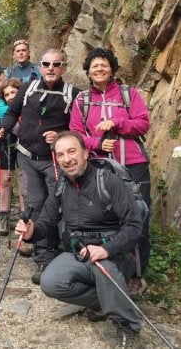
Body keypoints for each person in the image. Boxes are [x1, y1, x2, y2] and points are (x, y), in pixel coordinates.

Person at [15, 131, 142, 347]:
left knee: (103, 268)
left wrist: (106, 249)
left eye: (72, 151)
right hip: (78, 253)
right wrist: (31, 233)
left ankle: (127, 325)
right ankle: (107, 301)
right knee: (50, 283)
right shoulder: (60, 187)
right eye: (61, 154)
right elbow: (46, 223)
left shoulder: (109, 182)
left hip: (114, 254)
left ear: (85, 152)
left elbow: (134, 225)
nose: (67, 159)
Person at [69, 47, 150, 295]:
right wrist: (96, 143)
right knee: (106, 219)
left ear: (112, 68)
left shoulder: (128, 94)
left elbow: (143, 123)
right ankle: (106, 270)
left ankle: (136, 274)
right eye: (94, 65)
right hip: (99, 168)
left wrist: (117, 123)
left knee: (137, 216)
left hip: (133, 165)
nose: (99, 68)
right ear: (88, 71)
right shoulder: (81, 100)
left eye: (104, 64)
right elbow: (75, 134)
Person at [0, 49, 78, 284]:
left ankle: (65, 252)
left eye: (56, 64)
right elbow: (12, 112)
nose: (51, 68)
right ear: (39, 66)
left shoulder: (73, 94)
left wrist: (62, 135)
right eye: (46, 64)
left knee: (58, 205)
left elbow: (80, 130)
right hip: (27, 158)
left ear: (63, 66)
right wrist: (3, 129)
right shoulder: (27, 88)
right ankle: (43, 259)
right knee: (34, 206)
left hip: (55, 161)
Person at [0, 79, 24, 236]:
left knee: (24, 181)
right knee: (5, 180)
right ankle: (4, 214)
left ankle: (25, 216)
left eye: (13, 92)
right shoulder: (2, 110)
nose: (11, 97)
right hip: (6, 142)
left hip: (26, 144)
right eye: (7, 95)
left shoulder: (28, 107)